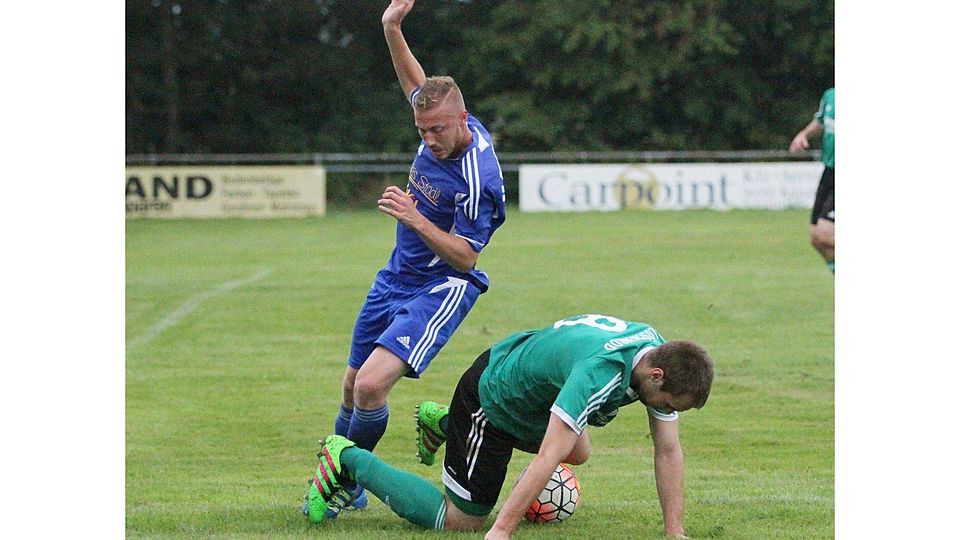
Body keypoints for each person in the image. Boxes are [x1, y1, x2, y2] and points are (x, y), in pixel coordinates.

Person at [323, 0, 507, 517]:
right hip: (395, 278)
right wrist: (391, 26)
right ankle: (349, 481)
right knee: (350, 384)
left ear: (463, 120)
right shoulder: (436, 117)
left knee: (371, 385)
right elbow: (416, 82)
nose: (428, 140)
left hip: (442, 287)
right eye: (422, 131)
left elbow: (468, 258)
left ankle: (341, 478)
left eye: (438, 132)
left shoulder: (478, 179)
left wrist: (415, 218)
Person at [304, 314, 714, 539]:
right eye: (668, 404)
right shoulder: (600, 374)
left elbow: (668, 450)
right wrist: (502, 530)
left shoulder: (655, 349)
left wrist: (674, 533)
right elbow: (549, 454)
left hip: (531, 384)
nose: (665, 410)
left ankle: (445, 424)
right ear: (657, 376)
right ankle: (346, 457)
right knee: (462, 521)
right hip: (493, 399)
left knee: (580, 450)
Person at [790, 87, 835, 274]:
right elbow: (820, 121)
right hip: (830, 171)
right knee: (816, 239)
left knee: (825, 233)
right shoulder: (830, 95)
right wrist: (804, 134)